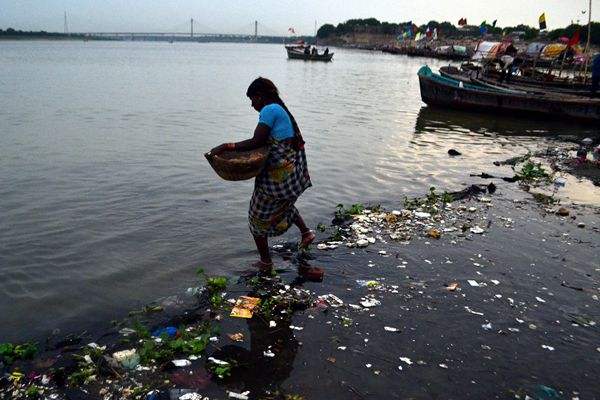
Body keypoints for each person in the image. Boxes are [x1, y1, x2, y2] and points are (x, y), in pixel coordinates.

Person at [210, 78, 314, 271]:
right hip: (288, 174)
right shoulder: (279, 109)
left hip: (278, 178)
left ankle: (266, 262)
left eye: (252, 99)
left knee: (256, 218)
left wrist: (226, 146)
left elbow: (256, 141)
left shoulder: (270, 110)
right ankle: (307, 232)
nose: (252, 105)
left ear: (260, 96)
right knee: (283, 205)